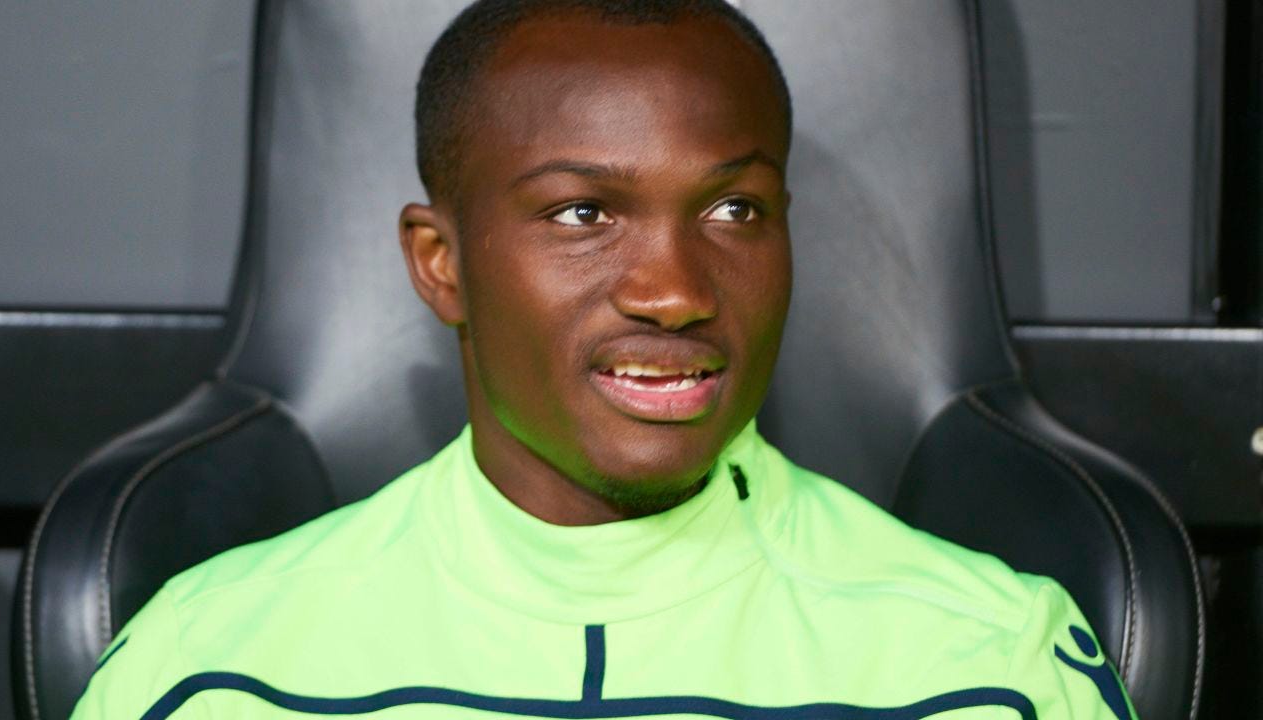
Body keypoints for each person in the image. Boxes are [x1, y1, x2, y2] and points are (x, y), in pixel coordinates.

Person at [71, 1, 1136, 718]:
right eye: (583, 212)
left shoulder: (990, 666)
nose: (673, 291)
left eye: (733, 208)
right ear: (440, 264)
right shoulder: (212, 669)